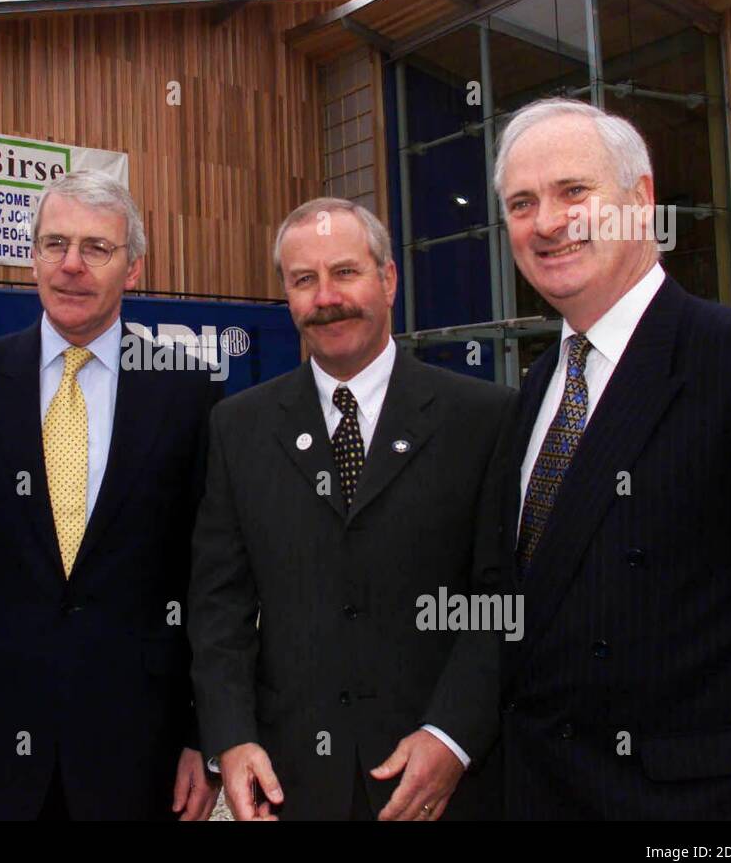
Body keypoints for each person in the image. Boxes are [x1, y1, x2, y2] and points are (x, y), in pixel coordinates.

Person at [495, 97, 731, 819]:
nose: (547, 222)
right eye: (522, 203)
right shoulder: (536, 392)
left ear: (639, 200)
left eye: (573, 191)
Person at [0, 170, 221, 820]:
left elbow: (210, 581)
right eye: (55, 244)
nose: (72, 265)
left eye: (97, 248)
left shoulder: (186, 391)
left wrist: (201, 737)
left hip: (137, 745)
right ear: (33, 256)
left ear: (133, 267)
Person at [189, 198, 514, 820]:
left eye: (345, 272)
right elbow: (219, 605)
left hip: (443, 784)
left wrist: (452, 736)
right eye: (303, 280)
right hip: (292, 782)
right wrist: (230, 738)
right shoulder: (239, 427)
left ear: (388, 279)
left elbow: (499, 601)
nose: (325, 297)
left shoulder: (484, 418)